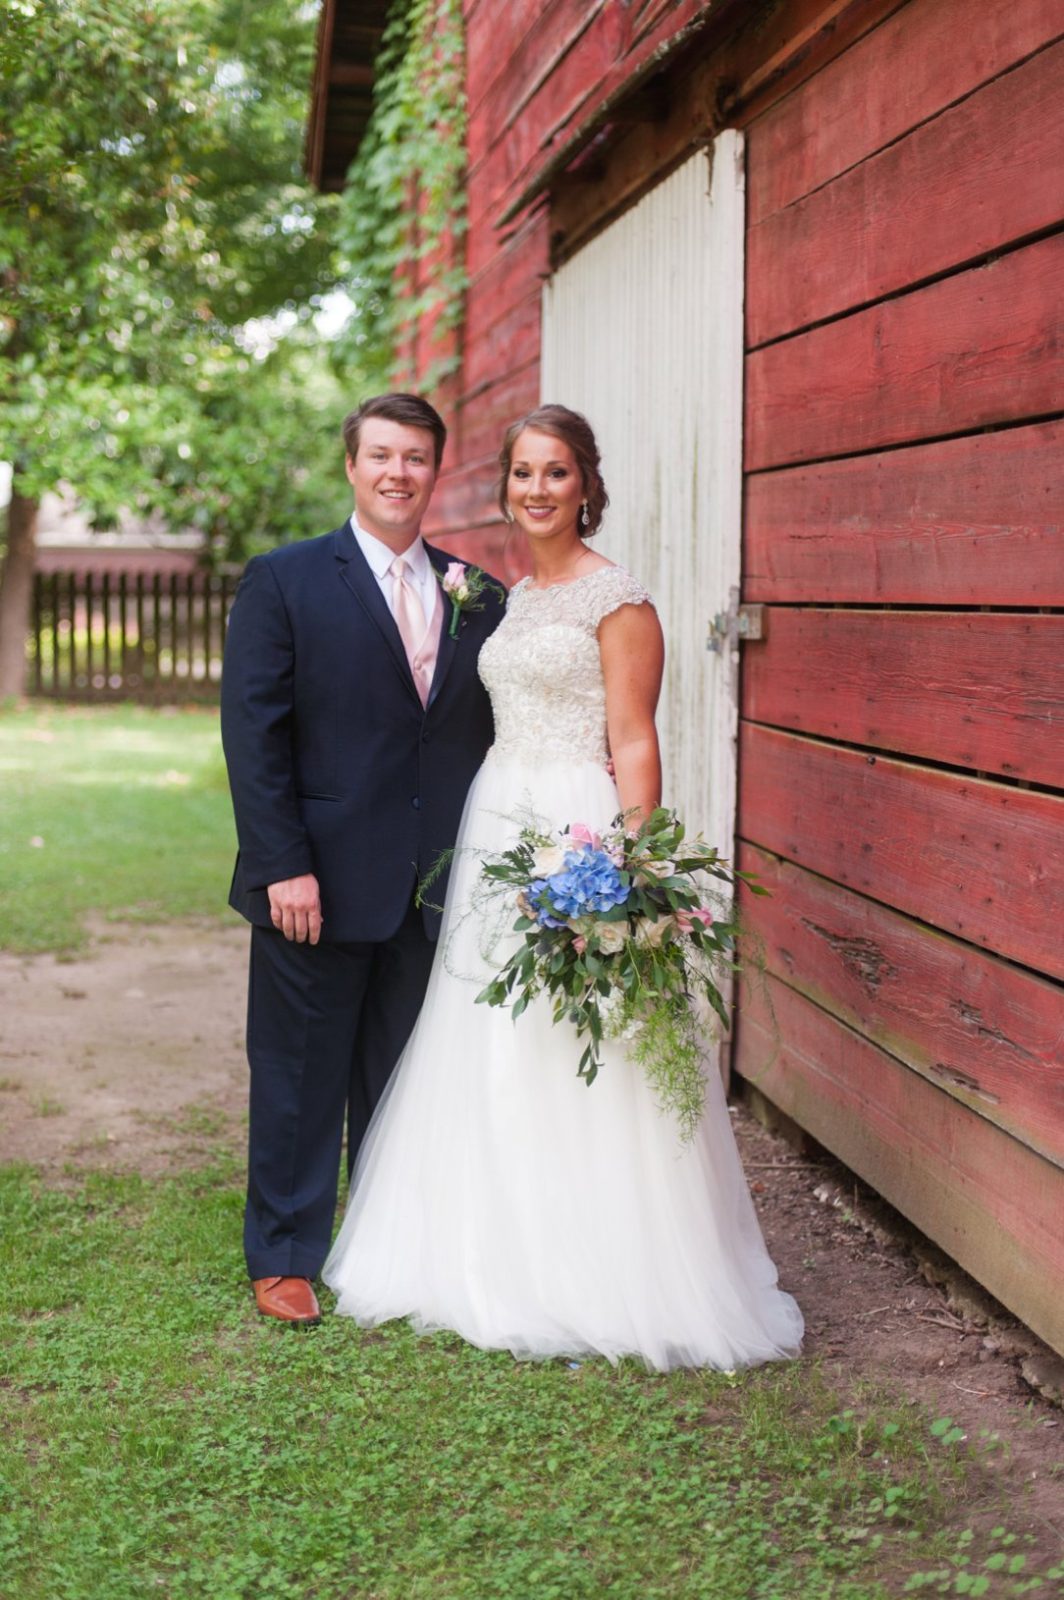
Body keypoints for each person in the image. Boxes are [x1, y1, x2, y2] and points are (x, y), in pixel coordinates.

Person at [323, 405, 803, 1370]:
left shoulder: (616, 599)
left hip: (576, 825)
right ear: (504, 487)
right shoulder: (509, 599)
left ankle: (602, 1267)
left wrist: (626, 866)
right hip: (496, 820)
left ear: (587, 485)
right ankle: (488, 1247)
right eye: (523, 474)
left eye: (557, 472)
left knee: (583, 1038)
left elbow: (633, 739)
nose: (538, 490)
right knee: (488, 1033)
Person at [220, 392, 505, 1327]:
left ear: (436, 471)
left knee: (404, 1074)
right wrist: (280, 864)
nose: (397, 473)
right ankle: (288, 1255)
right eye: (380, 454)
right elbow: (254, 736)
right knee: (301, 1072)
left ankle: (391, 1246)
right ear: (352, 465)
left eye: (415, 457)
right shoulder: (286, 580)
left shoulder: (480, 594)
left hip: (435, 882)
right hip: (319, 880)